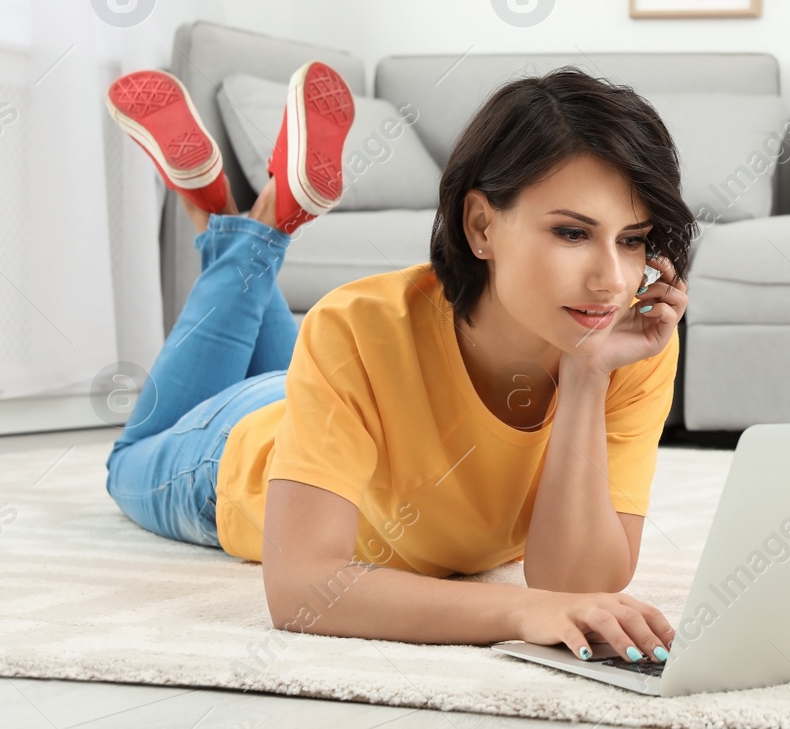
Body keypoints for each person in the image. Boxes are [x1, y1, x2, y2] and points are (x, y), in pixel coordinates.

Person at [103, 61, 691, 666]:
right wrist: (517, 612)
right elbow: (301, 589)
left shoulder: (622, 350)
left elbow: (573, 586)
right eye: (572, 233)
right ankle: (251, 224)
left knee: (295, 336)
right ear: (481, 225)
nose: (612, 281)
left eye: (631, 239)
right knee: (126, 461)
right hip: (228, 454)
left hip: (333, 405)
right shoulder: (357, 327)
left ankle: (228, 217)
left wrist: (587, 377)